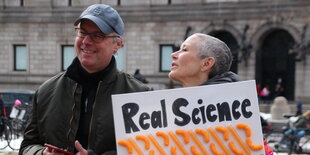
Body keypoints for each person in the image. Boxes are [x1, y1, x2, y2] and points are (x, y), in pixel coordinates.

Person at [19, 4, 149, 155]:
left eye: (97, 35)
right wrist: (41, 153)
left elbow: (146, 150)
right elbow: (27, 146)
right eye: (82, 33)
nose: (86, 41)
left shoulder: (139, 95)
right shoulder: (46, 91)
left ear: (117, 44)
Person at [168, 33, 273, 155]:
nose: (173, 55)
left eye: (184, 49)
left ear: (206, 63)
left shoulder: (234, 116)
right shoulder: (169, 110)